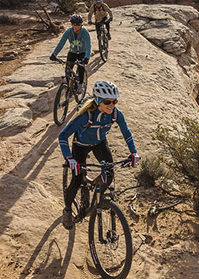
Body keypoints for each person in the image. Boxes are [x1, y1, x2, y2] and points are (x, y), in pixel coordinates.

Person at [58, 80, 140, 229]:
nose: (112, 105)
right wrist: (69, 158)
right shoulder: (85, 116)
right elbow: (63, 136)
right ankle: (68, 211)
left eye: (114, 101)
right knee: (76, 181)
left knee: (109, 173)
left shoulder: (115, 113)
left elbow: (126, 132)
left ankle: (96, 193)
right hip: (80, 146)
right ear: (97, 100)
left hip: (99, 143)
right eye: (107, 101)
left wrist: (133, 152)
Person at [50, 14, 90, 89]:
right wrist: (54, 54)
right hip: (72, 52)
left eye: (78, 25)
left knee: (81, 68)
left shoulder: (85, 32)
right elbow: (61, 43)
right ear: (71, 24)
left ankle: (81, 85)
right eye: (74, 25)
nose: (76, 27)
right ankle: (69, 87)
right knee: (67, 70)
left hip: (82, 53)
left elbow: (88, 45)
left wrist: (87, 57)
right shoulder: (68, 32)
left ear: (81, 25)